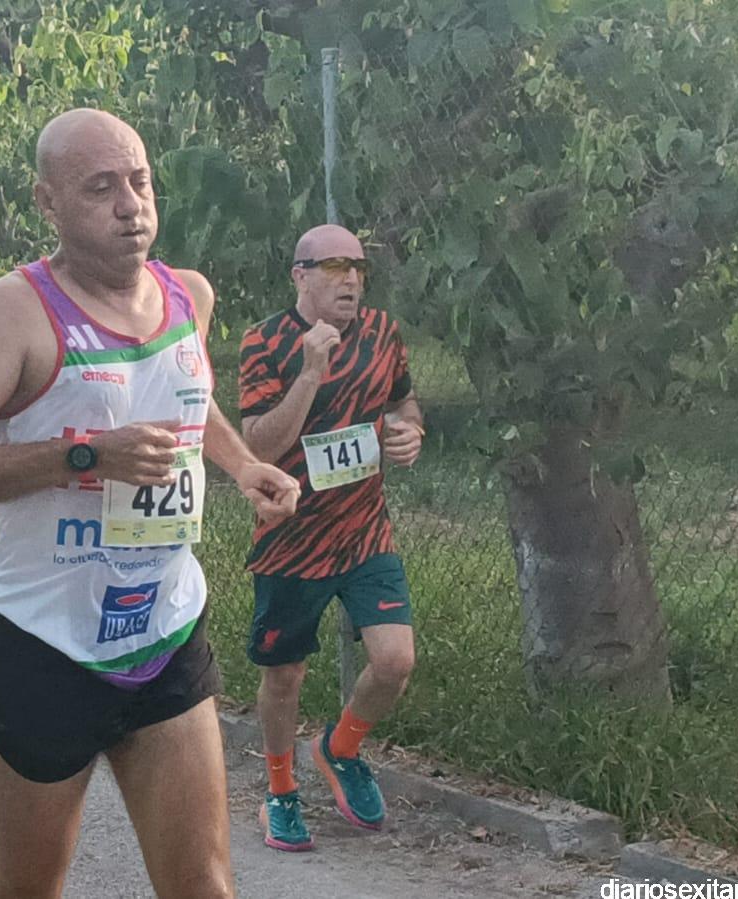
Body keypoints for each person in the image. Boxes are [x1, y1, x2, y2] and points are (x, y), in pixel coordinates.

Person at [0, 109, 300, 898]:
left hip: (164, 627)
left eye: (139, 181)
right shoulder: (14, 312)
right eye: (100, 188)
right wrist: (86, 454)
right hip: (43, 642)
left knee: (203, 886)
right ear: (47, 202)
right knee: (29, 886)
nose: (130, 206)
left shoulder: (188, 295)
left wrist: (240, 463)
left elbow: (185, 395)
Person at [237, 224, 424, 852]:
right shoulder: (264, 341)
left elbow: (404, 404)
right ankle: (279, 791)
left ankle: (339, 749)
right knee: (285, 676)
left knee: (394, 661)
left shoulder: (381, 332)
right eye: (336, 267)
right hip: (292, 540)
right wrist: (311, 373)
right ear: (300, 276)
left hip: (365, 532)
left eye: (359, 268)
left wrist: (409, 432)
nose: (351, 280)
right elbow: (259, 445)